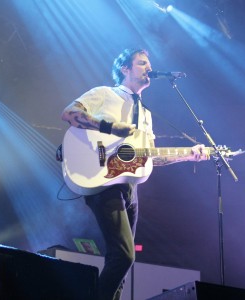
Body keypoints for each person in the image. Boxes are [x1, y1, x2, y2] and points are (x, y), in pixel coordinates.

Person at [61, 48, 209, 300]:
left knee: (121, 261)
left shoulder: (146, 114)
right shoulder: (104, 94)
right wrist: (111, 127)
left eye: (149, 63)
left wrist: (188, 154)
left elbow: (147, 156)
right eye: (141, 63)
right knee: (124, 255)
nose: (148, 68)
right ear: (124, 69)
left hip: (130, 187)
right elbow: (70, 113)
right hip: (101, 180)